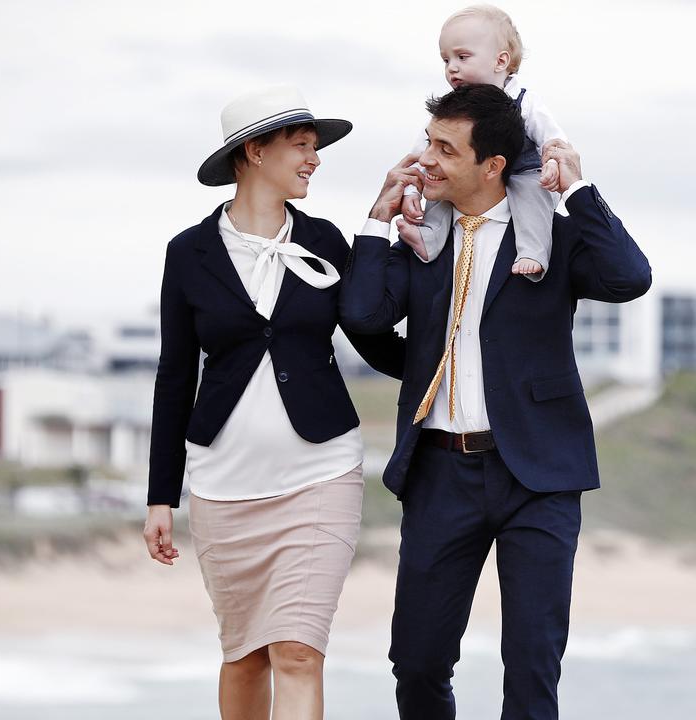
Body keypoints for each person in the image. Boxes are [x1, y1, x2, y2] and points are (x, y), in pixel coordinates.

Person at [340, 83, 651, 720]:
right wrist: (378, 215)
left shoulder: (552, 242)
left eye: (444, 149)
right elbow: (364, 315)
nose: (427, 158)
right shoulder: (419, 237)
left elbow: (629, 277)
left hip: (538, 474)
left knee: (532, 665)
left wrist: (578, 190)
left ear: (493, 167)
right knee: (418, 662)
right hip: (440, 473)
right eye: (428, 141)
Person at [141, 85, 405, 720]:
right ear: (254, 153)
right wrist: (160, 495)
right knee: (245, 655)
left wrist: (458, 360)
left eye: (316, 149)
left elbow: (374, 341)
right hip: (223, 485)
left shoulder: (324, 239)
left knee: (296, 650)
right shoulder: (188, 253)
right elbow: (175, 374)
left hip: (320, 473)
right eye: (302, 147)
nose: (315, 160)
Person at [396, 4, 565, 281]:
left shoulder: (525, 101)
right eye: (446, 60)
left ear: (500, 61)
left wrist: (553, 164)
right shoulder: (450, 110)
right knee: (441, 185)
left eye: (462, 57)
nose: (452, 68)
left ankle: (533, 250)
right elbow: (420, 155)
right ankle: (429, 238)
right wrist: (412, 192)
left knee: (533, 194)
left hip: (522, 171)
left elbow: (553, 138)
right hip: (468, 181)